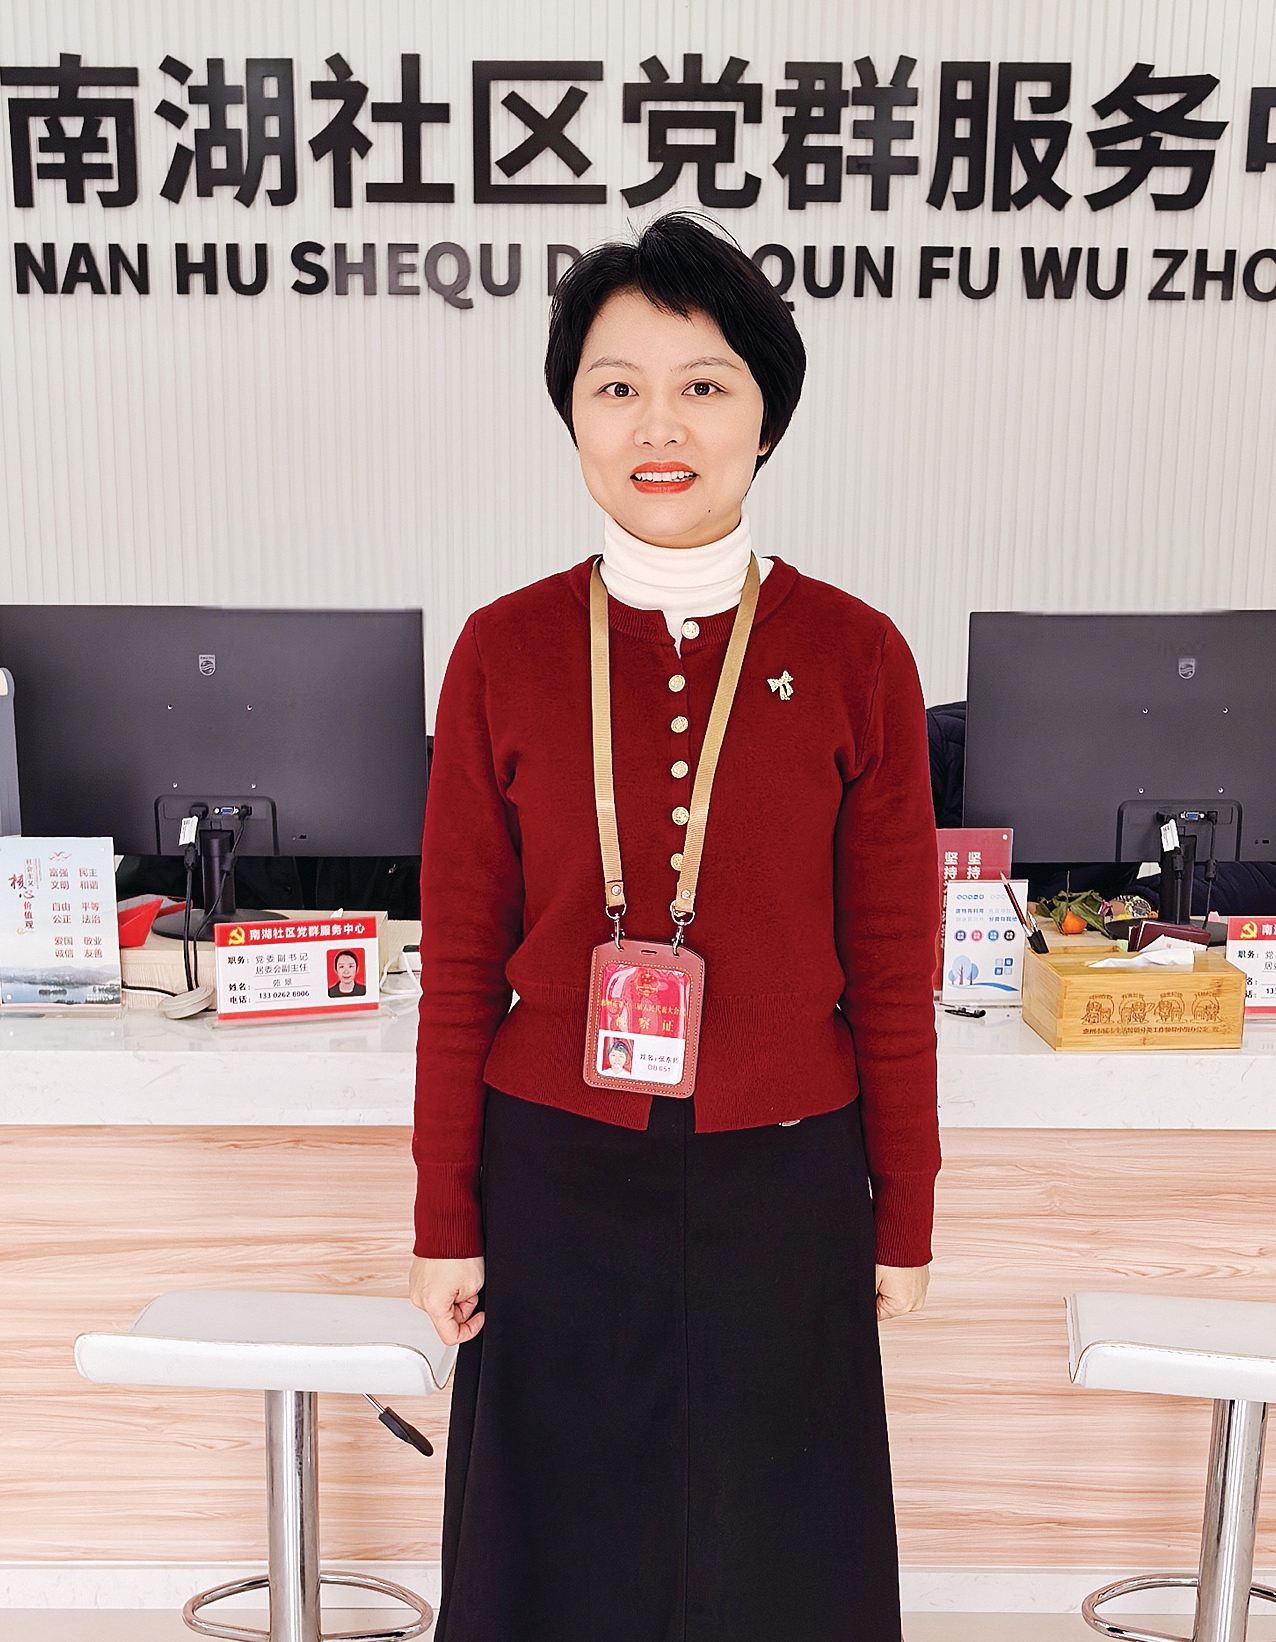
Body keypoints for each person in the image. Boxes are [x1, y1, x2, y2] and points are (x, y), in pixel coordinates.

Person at [409, 212, 940, 1642]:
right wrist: (445, 1209)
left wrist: (905, 1207)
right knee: (557, 1559)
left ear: (765, 415)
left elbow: (894, 967)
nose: (661, 424)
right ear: (573, 415)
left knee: (783, 1556)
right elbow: (458, 959)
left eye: (704, 384)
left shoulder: (856, 653)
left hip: (790, 1170)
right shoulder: (503, 646)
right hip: (552, 1165)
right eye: (617, 385)